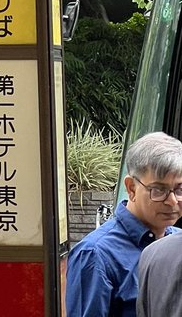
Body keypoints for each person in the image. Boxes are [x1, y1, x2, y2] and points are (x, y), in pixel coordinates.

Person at [66, 130, 182, 317]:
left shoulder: (176, 239)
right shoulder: (95, 254)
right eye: (158, 190)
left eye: (179, 189)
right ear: (131, 187)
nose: (172, 201)